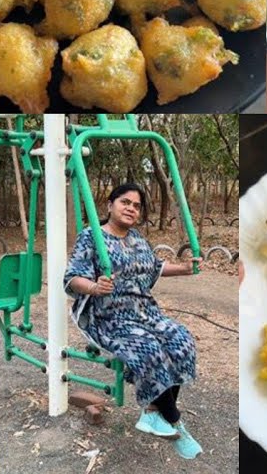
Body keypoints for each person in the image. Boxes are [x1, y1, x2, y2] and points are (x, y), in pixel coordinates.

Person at [64, 183, 204, 459]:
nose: (131, 208)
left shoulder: (138, 239)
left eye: (136, 206)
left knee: (181, 341)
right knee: (150, 349)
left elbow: (155, 267)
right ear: (110, 205)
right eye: (125, 202)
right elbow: (71, 278)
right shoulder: (91, 237)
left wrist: (186, 269)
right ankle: (175, 421)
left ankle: (152, 413)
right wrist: (94, 287)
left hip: (144, 312)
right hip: (109, 316)